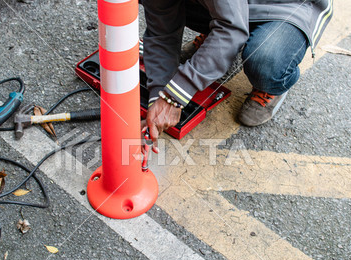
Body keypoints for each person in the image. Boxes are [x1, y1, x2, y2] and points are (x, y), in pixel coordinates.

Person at [140, 0, 333, 152]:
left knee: (265, 61)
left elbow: (232, 29)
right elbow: (161, 35)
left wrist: (174, 98)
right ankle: (218, 39)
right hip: (231, 6)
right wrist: (159, 94)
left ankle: (273, 83)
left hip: (284, 7)